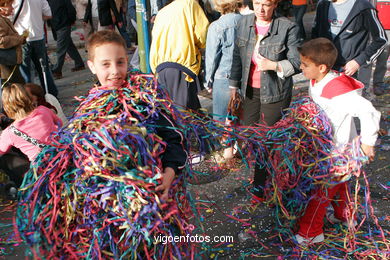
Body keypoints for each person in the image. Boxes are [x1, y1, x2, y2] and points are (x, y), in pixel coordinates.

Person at [295, 38, 381, 245]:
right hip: (324, 147)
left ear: (322, 67)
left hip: (338, 151)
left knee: (321, 191)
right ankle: (345, 216)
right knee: (339, 185)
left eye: (305, 65)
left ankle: (311, 232)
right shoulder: (317, 79)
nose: (301, 67)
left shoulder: (337, 90)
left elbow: (369, 111)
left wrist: (368, 143)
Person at [86, 30, 187, 200]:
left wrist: (170, 172)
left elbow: (174, 137)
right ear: (92, 66)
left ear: (127, 61)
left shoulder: (145, 101)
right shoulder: (88, 112)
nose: (115, 71)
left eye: (120, 62)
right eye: (106, 64)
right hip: (116, 206)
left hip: (157, 196)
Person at [229, 0, 301, 201]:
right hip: (249, 91)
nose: (261, 9)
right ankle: (264, 179)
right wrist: (233, 87)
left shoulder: (288, 27)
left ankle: (265, 185)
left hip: (275, 93)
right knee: (251, 136)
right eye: (257, 3)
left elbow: (297, 63)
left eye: (266, 4)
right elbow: (237, 57)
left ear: (275, 4)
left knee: (270, 141)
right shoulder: (243, 24)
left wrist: (274, 65)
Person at [150, 0, 209, 110]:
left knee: (171, 115)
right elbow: (203, 36)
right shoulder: (190, 4)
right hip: (181, 68)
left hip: (160, 70)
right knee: (184, 117)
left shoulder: (162, 12)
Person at [0, 83, 62, 186]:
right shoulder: (43, 110)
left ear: (6, 107)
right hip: (61, 156)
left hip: (41, 170)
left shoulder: (10, 133)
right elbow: (59, 123)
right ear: (29, 98)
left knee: (5, 159)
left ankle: (21, 187)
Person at [311, 0, 387, 83]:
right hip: (324, 70)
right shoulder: (322, 4)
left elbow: (381, 40)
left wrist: (358, 61)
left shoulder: (363, 7)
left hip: (350, 73)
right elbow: (315, 35)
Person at [12, 0, 59, 97]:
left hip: (22, 38)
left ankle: (28, 97)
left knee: (25, 72)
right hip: (38, 36)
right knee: (44, 69)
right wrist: (37, 19)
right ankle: (51, 95)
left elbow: (9, 18)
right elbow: (48, 14)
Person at [48, 0, 85, 80]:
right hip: (56, 26)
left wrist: (71, 20)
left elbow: (71, 10)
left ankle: (57, 70)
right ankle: (79, 63)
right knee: (68, 45)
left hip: (64, 24)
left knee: (61, 48)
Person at [0, 0, 26, 86]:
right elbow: (1, 40)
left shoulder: (3, 19)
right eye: (10, 5)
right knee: (15, 88)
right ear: (2, 7)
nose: (12, 8)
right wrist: (19, 39)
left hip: (9, 61)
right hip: (6, 62)